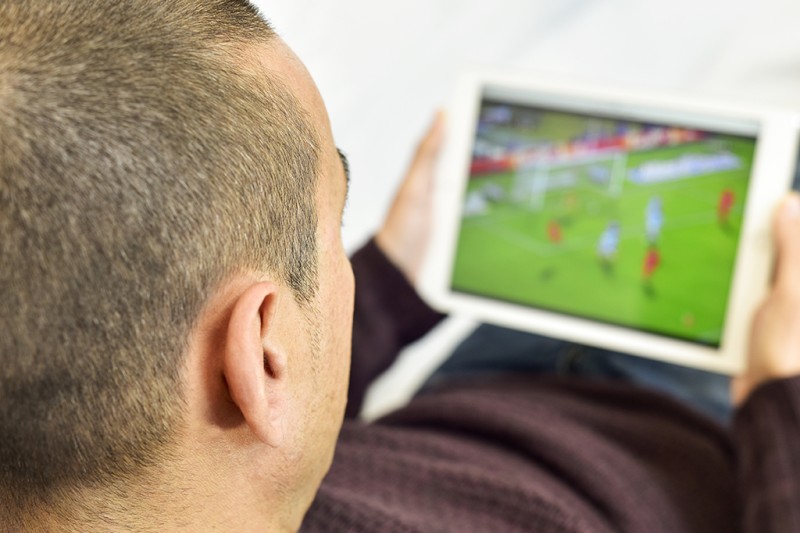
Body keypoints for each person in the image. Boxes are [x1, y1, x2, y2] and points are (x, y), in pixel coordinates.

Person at [3, 2, 800, 532]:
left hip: (481, 394)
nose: (348, 247)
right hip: (731, 443)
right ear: (264, 355)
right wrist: (781, 402)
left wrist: (390, 276)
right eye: (335, 216)